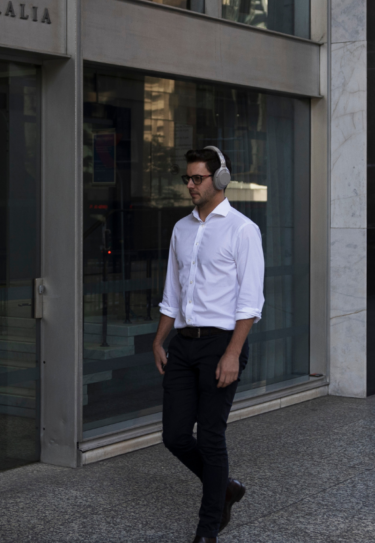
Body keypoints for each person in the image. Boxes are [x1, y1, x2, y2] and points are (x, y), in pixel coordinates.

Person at [152, 147, 265, 543]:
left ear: (220, 180)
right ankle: (227, 489)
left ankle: (207, 530)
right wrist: (159, 340)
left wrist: (233, 353)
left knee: (212, 437)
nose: (189, 185)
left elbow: (250, 301)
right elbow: (173, 291)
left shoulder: (242, 230)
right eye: (187, 178)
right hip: (183, 344)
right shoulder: (181, 229)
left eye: (197, 178)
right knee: (175, 436)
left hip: (221, 344)